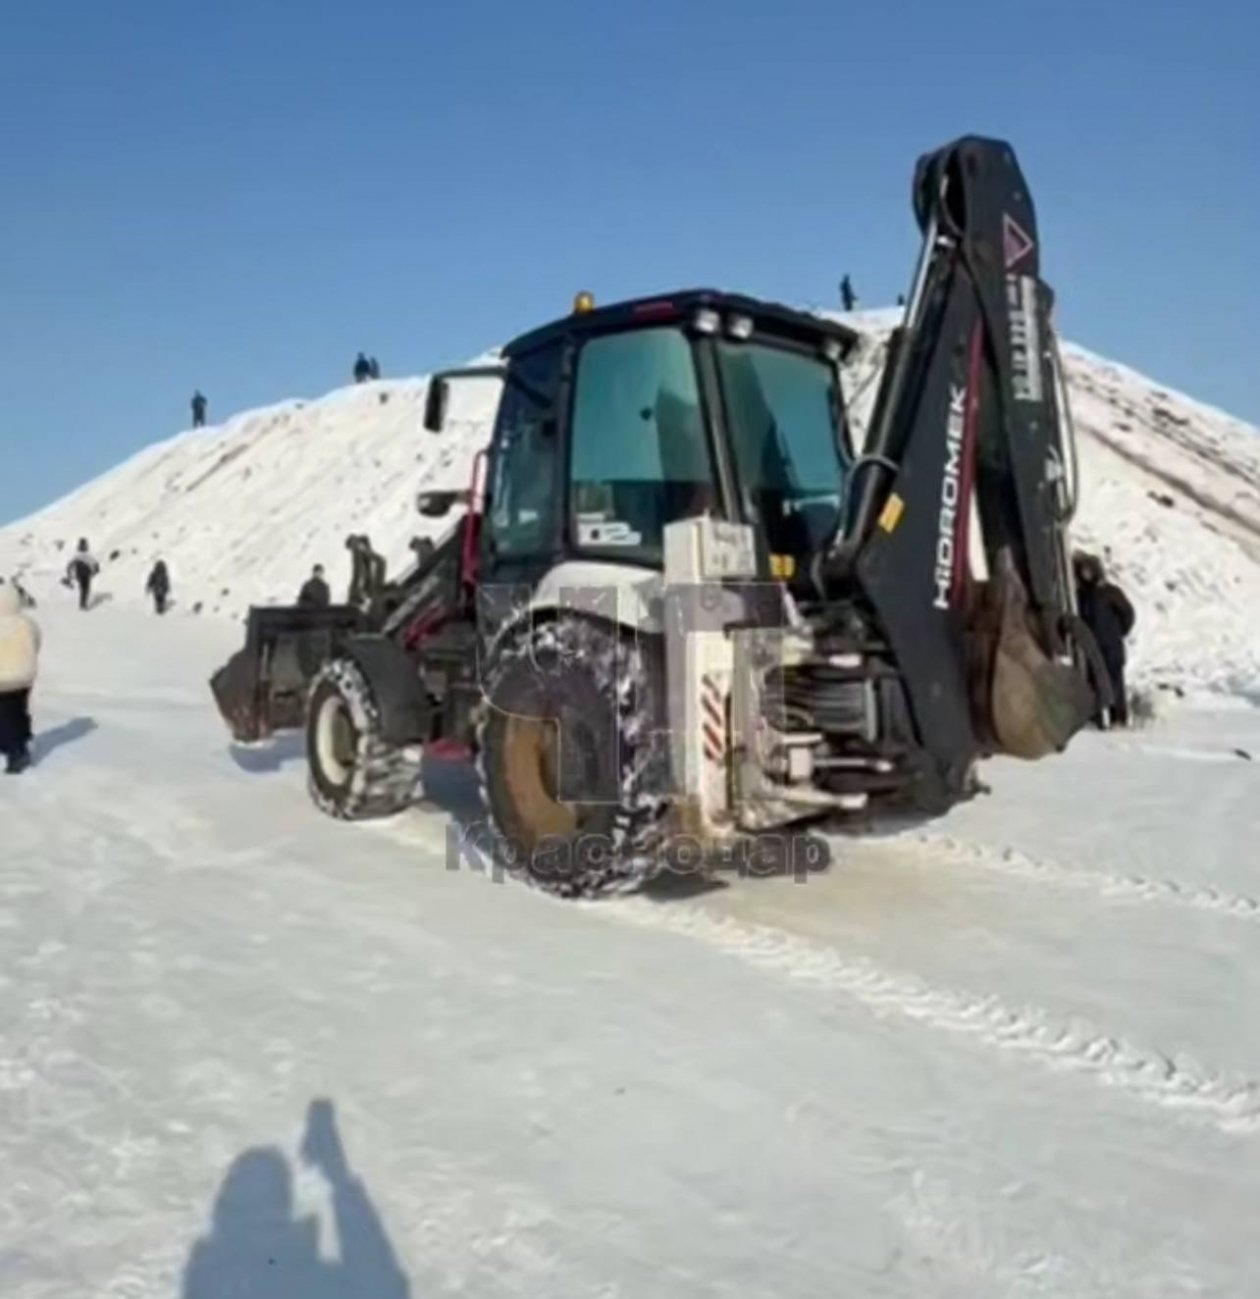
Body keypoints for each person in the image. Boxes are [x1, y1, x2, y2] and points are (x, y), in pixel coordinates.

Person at [1074, 551, 1136, 728]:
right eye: (1083, 571)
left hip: (1111, 647)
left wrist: (1117, 633)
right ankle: (1096, 720)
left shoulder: (1111, 593)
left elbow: (1128, 615)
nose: (1086, 575)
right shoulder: (1080, 595)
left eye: (1089, 571)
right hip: (1090, 648)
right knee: (1094, 684)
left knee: (1115, 684)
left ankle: (1119, 719)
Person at [0, 579, 40, 775]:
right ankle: (20, 744)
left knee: (4, 715)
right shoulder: (27, 622)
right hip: (24, 677)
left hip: (1, 680)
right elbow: (36, 643)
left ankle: (14, 752)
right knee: (18, 710)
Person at [65, 539, 99, 611]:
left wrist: (69, 572)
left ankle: (82, 604)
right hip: (85, 574)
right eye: (84, 544)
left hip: (82, 574)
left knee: (84, 589)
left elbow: (70, 565)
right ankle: (83, 605)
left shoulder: (79, 555)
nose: (85, 546)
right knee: (85, 589)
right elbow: (95, 563)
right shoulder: (84, 555)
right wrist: (96, 570)